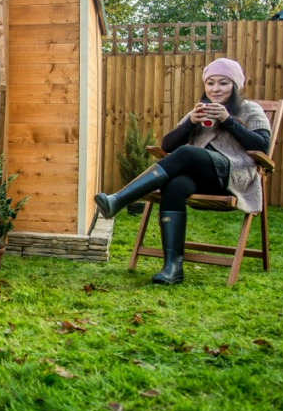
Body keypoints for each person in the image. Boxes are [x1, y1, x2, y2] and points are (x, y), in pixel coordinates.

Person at [94, 58, 271, 285]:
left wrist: (228, 121)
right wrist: (190, 124)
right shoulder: (198, 111)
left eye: (223, 83)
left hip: (232, 175)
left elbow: (263, 147)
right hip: (201, 179)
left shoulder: (250, 110)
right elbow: (166, 146)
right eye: (211, 83)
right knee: (174, 186)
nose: (215, 89)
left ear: (235, 86)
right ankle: (172, 268)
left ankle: (119, 199)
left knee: (187, 152)